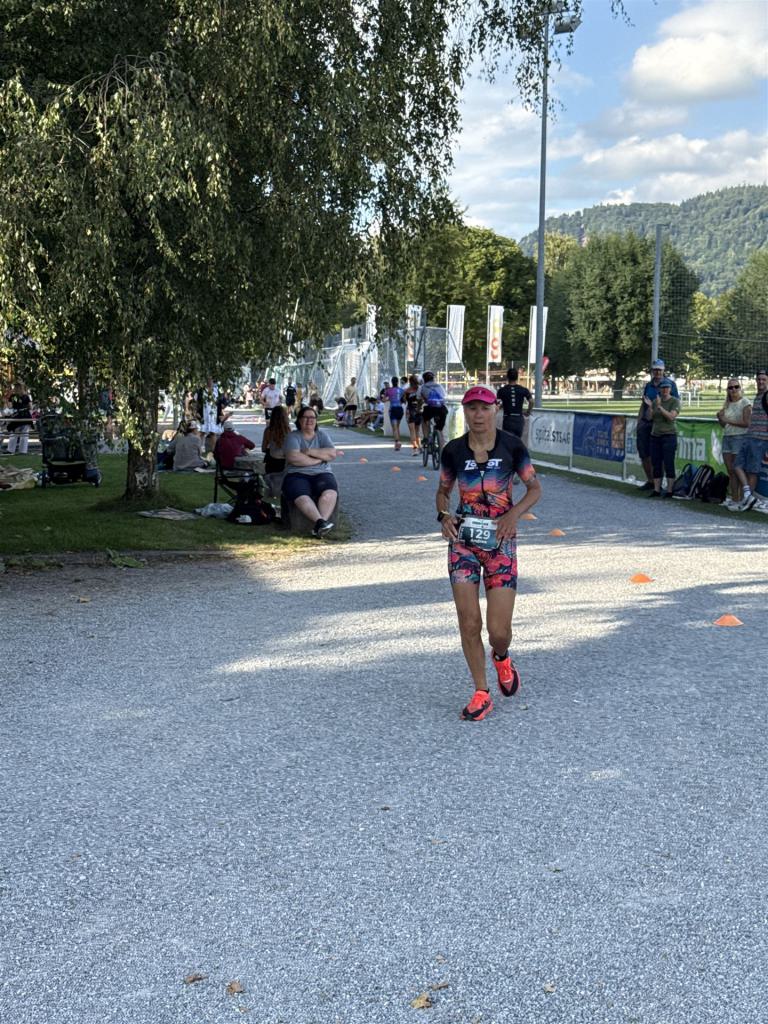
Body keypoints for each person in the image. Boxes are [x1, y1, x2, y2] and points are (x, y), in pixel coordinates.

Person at [437, 386, 541, 722]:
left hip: (501, 542)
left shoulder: (512, 446)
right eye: (472, 409)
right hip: (463, 543)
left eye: (484, 408)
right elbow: (443, 491)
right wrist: (444, 515)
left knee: (499, 631)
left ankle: (502, 656)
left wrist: (513, 515)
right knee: (469, 622)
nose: (478, 415)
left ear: (495, 409)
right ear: (465, 412)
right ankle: (481, 692)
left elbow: (534, 488)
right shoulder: (453, 451)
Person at [283, 406, 339, 536]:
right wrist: (319, 459)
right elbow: (294, 458)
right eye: (306, 417)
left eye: (312, 417)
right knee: (301, 495)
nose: (309, 420)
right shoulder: (293, 437)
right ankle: (321, 523)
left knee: (330, 493)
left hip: (322, 473)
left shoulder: (322, 435)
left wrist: (308, 451)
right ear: (299, 420)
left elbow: (332, 454)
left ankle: (321, 525)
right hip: (296, 474)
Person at [636, 360, 679, 490]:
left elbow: (675, 403)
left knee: (663, 456)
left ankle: (663, 484)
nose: (658, 372)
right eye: (655, 369)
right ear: (652, 370)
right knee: (644, 453)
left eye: (660, 369)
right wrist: (639, 422)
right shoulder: (648, 385)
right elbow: (644, 404)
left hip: (662, 424)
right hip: (647, 422)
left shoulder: (670, 384)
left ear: (663, 370)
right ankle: (651, 481)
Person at [733, 369, 768, 511]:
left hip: (760, 439)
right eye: (759, 379)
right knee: (737, 465)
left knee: (752, 471)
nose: (761, 382)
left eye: (764, 379)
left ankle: (747, 501)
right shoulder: (758, 396)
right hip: (750, 436)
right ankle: (748, 495)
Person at [716, 379, 751, 508]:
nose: (734, 390)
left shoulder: (745, 402)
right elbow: (723, 425)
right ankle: (734, 498)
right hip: (727, 437)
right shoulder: (727, 404)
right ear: (727, 390)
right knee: (730, 470)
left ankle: (741, 498)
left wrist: (727, 420)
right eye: (730, 388)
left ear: (740, 388)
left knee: (738, 469)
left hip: (739, 437)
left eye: (736, 387)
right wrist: (720, 418)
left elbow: (747, 423)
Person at [647, 378, 680, 497]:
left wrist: (660, 407)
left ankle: (670, 490)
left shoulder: (675, 401)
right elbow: (650, 417)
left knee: (668, 462)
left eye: (667, 387)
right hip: (655, 435)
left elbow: (671, 417)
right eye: (663, 388)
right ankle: (656, 489)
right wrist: (650, 407)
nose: (665, 390)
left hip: (669, 435)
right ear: (660, 389)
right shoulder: (656, 401)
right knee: (656, 462)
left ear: (670, 389)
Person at [496, 368, 532, 438]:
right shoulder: (523, 389)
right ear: (517, 377)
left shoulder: (502, 390)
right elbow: (531, 401)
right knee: (517, 440)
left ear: (507, 377)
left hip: (508, 419)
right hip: (519, 418)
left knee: (508, 440)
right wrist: (528, 411)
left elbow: (498, 404)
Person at [419, 371, 448, 449]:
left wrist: (418, 408)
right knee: (440, 430)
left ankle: (426, 438)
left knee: (424, 419)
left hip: (430, 408)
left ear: (424, 379)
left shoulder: (423, 387)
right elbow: (444, 397)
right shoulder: (440, 386)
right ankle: (442, 450)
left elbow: (419, 399)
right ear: (433, 378)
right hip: (442, 409)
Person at [4, 381, 33, 455]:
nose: (16, 388)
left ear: (21, 387)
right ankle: (12, 450)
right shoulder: (15, 396)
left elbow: (30, 407)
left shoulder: (25, 396)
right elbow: (10, 406)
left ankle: (21, 451)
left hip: (24, 416)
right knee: (15, 432)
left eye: (18, 387)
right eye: (16, 387)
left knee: (23, 434)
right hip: (18, 416)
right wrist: (7, 400)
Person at [403, 374, 423, 456]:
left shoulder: (407, 390)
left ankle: (415, 449)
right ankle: (420, 447)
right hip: (418, 410)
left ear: (410, 382)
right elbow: (422, 399)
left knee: (412, 431)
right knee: (417, 430)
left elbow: (404, 400)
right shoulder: (420, 389)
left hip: (410, 410)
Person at [384, 375, 405, 451]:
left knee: (394, 428)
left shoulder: (388, 390)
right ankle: (398, 442)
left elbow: (384, 400)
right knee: (397, 427)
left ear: (391, 382)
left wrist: (389, 399)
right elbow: (403, 400)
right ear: (397, 382)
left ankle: (397, 442)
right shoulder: (401, 390)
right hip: (400, 409)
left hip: (393, 409)